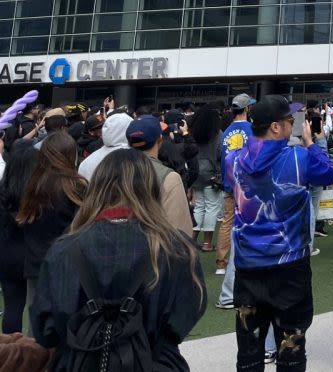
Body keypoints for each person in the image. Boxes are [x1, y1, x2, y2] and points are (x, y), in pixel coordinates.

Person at [30, 149, 207, 370]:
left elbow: (44, 328)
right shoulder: (176, 249)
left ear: (97, 188)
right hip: (157, 362)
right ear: (150, 189)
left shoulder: (64, 249)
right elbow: (186, 315)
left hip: (78, 363)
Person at [227, 94, 333, 371]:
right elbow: (328, 174)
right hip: (290, 268)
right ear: (275, 127)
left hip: (248, 267)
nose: (294, 123)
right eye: (290, 120)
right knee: (291, 348)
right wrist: (311, 144)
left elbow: (234, 188)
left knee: (248, 352)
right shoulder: (299, 157)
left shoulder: (234, 160)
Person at [16, 131, 87, 312]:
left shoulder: (33, 182)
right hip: (67, 264)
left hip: (35, 262)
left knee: (36, 322)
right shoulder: (76, 185)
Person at [126, 115, 194, 235]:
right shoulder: (169, 177)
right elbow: (181, 232)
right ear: (160, 140)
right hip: (153, 248)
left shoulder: (108, 171)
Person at [216, 93, 255, 278]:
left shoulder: (226, 132)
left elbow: (223, 160)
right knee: (249, 221)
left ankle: (221, 263)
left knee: (227, 221)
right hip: (248, 184)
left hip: (229, 183)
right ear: (247, 109)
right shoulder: (253, 130)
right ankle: (246, 258)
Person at [0, 144, 37, 334]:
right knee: (35, 307)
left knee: (12, 307)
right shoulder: (40, 193)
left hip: (6, 254)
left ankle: (9, 350)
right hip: (34, 256)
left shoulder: (3, 190)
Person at [190, 106, 224, 252]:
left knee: (198, 208)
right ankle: (207, 244)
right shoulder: (217, 134)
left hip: (195, 174)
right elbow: (220, 155)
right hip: (212, 175)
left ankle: (191, 241)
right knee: (212, 208)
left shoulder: (193, 133)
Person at [77, 111, 132, 180]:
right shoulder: (93, 146)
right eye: (100, 127)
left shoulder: (102, 144)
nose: (104, 129)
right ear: (91, 132)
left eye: (105, 125)